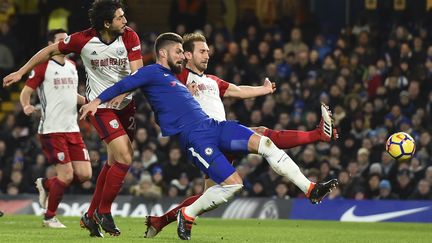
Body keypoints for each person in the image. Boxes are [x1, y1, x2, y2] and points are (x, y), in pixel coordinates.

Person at [79, 32, 338, 240]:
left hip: (216, 126)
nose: (185, 55)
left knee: (265, 141)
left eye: (185, 51)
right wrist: (97, 101)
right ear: (164, 53)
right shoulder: (157, 73)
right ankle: (185, 215)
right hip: (196, 138)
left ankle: (311, 189)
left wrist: (263, 89)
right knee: (233, 184)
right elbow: (126, 84)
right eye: (181, 51)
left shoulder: (190, 78)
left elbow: (236, 90)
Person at [4, 0, 143, 237]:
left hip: (126, 105)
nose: (125, 20)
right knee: (126, 157)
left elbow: (137, 72)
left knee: (112, 163)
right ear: (107, 23)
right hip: (99, 107)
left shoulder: (129, 36)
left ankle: (90, 216)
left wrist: (125, 94)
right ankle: (104, 212)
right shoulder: (83, 40)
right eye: (120, 17)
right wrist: (20, 71)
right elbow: (48, 50)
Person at [19, 29, 92, 228]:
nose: (66, 42)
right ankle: (49, 217)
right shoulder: (42, 67)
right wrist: (26, 105)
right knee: (66, 175)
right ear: (51, 44)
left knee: (85, 174)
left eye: (67, 39)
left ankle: (46, 184)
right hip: (52, 129)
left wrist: (89, 101)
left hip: (72, 128)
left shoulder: (72, 65)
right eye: (61, 40)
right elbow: (26, 91)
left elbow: (71, 95)